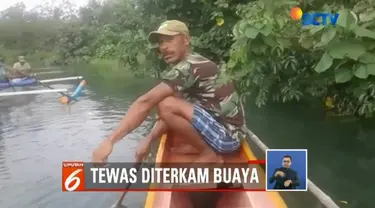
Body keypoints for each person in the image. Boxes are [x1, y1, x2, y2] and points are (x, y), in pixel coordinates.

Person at [91, 20, 247, 165]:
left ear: (186, 40)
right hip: (224, 130)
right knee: (168, 102)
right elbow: (168, 114)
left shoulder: (189, 66)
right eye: (160, 42)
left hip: (229, 138)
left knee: (165, 103)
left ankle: (208, 153)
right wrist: (148, 140)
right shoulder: (189, 65)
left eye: (169, 39)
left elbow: (146, 102)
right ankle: (200, 146)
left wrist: (110, 141)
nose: (163, 47)